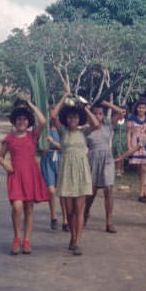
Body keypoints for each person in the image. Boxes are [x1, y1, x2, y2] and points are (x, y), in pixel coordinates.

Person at [50, 90, 99, 256]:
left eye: (75, 117)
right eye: (70, 117)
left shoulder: (83, 132)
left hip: (81, 173)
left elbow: (96, 124)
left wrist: (83, 108)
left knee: (79, 210)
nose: (72, 120)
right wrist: (64, 97)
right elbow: (53, 116)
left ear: (79, 119)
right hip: (66, 174)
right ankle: (72, 236)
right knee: (69, 211)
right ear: (67, 119)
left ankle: (77, 241)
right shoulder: (62, 132)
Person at [0, 102, 49, 255]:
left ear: (28, 122)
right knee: (17, 206)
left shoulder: (32, 135)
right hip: (15, 175)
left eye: (25, 119)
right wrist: (5, 164)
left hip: (30, 175)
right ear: (14, 121)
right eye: (19, 119)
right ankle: (16, 237)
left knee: (29, 209)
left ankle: (26, 240)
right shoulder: (9, 138)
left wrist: (32, 106)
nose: (22, 122)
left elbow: (43, 121)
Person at [84, 100, 127, 233]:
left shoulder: (108, 125)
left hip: (107, 159)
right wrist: (87, 109)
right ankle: (85, 213)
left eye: (100, 113)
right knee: (92, 191)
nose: (98, 116)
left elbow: (121, 113)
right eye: (95, 113)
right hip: (93, 159)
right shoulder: (86, 129)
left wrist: (107, 103)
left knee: (108, 189)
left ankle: (109, 222)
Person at [40, 125, 68, 231]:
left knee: (62, 192)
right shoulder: (44, 129)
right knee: (51, 190)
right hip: (47, 159)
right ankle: (54, 217)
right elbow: (39, 145)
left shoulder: (62, 129)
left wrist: (52, 142)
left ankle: (66, 220)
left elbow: (63, 147)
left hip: (60, 159)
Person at [127, 99, 146, 202]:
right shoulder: (131, 119)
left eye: (143, 108)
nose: (141, 109)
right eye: (139, 107)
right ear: (136, 108)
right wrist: (129, 145)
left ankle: (143, 192)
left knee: (145, 169)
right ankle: (142, 190)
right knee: (140, 169)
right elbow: (129, 133)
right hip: (135, 144)